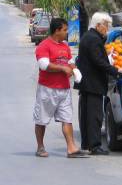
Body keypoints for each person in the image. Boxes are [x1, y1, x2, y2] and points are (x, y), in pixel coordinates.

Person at [34, 18, 86, 158]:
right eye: (64, 30)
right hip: (47, 89)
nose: (66, 32)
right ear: (57, 30)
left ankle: (71, 148)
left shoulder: (65, 46)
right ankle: (40, 147)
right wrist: (63, 69)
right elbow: (44, 65)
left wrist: (75, 71)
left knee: (67, 118)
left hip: (64, 89)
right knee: (41, 119)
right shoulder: (44, 46)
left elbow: (70, 62)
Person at [75, 12, 122, 155]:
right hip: (93, 84)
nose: (107, 29)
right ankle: (95, 146)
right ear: (98, 25)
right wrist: (116, 70)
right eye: (106, 26)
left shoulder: (88, 36)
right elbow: (99, 62)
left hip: (87, 83)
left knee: (86, 115)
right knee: (94, 116)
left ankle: (87, 144)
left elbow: (95, 59)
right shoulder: (94, 40)